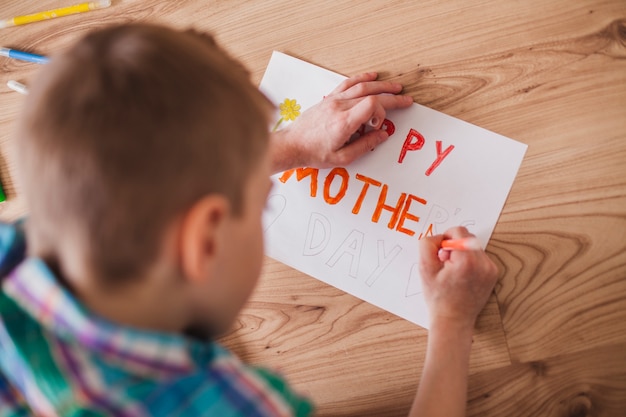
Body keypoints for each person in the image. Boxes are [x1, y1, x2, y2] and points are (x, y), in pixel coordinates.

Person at [0, 23, 498, 416]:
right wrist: (451, 322)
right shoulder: (229, 405)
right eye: (264, 200)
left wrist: (294, 147)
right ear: (205, 241)